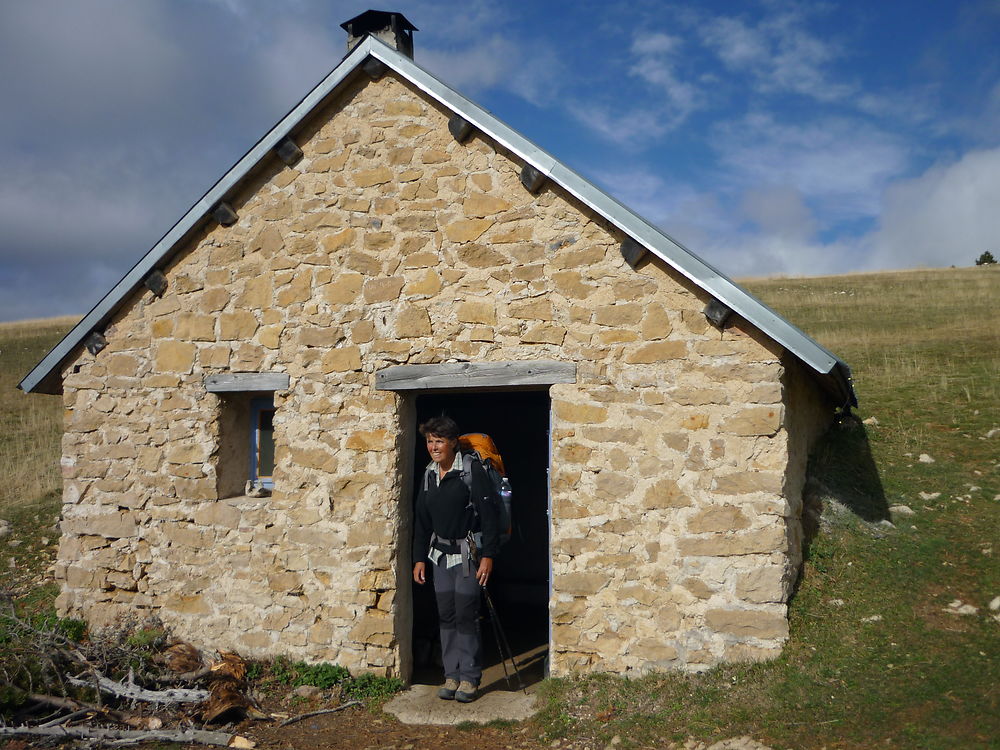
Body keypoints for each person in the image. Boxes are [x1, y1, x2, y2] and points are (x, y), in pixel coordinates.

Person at [412, 416, 500, 703]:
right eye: (429, 441)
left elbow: (491, 517)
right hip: (439, 556)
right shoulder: (428, 474)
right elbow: (422, 522)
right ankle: (451, 675)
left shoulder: (471, 471)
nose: (433, 447)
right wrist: (419, 559)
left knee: (466, 614)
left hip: (467, 556)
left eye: (439, 441)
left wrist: (488, 556)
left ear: (452, 443)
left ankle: (470, 678)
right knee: (446, 615)